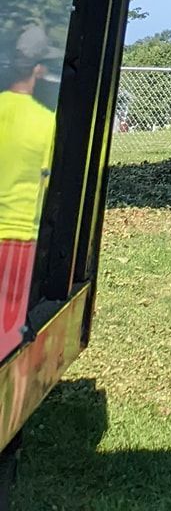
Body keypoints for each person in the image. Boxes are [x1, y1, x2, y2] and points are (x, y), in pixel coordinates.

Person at [0, 27, 57, 356]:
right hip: (19, 236)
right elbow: (45, 180)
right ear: (38, 68)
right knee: (7, 336)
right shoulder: (45, 120)